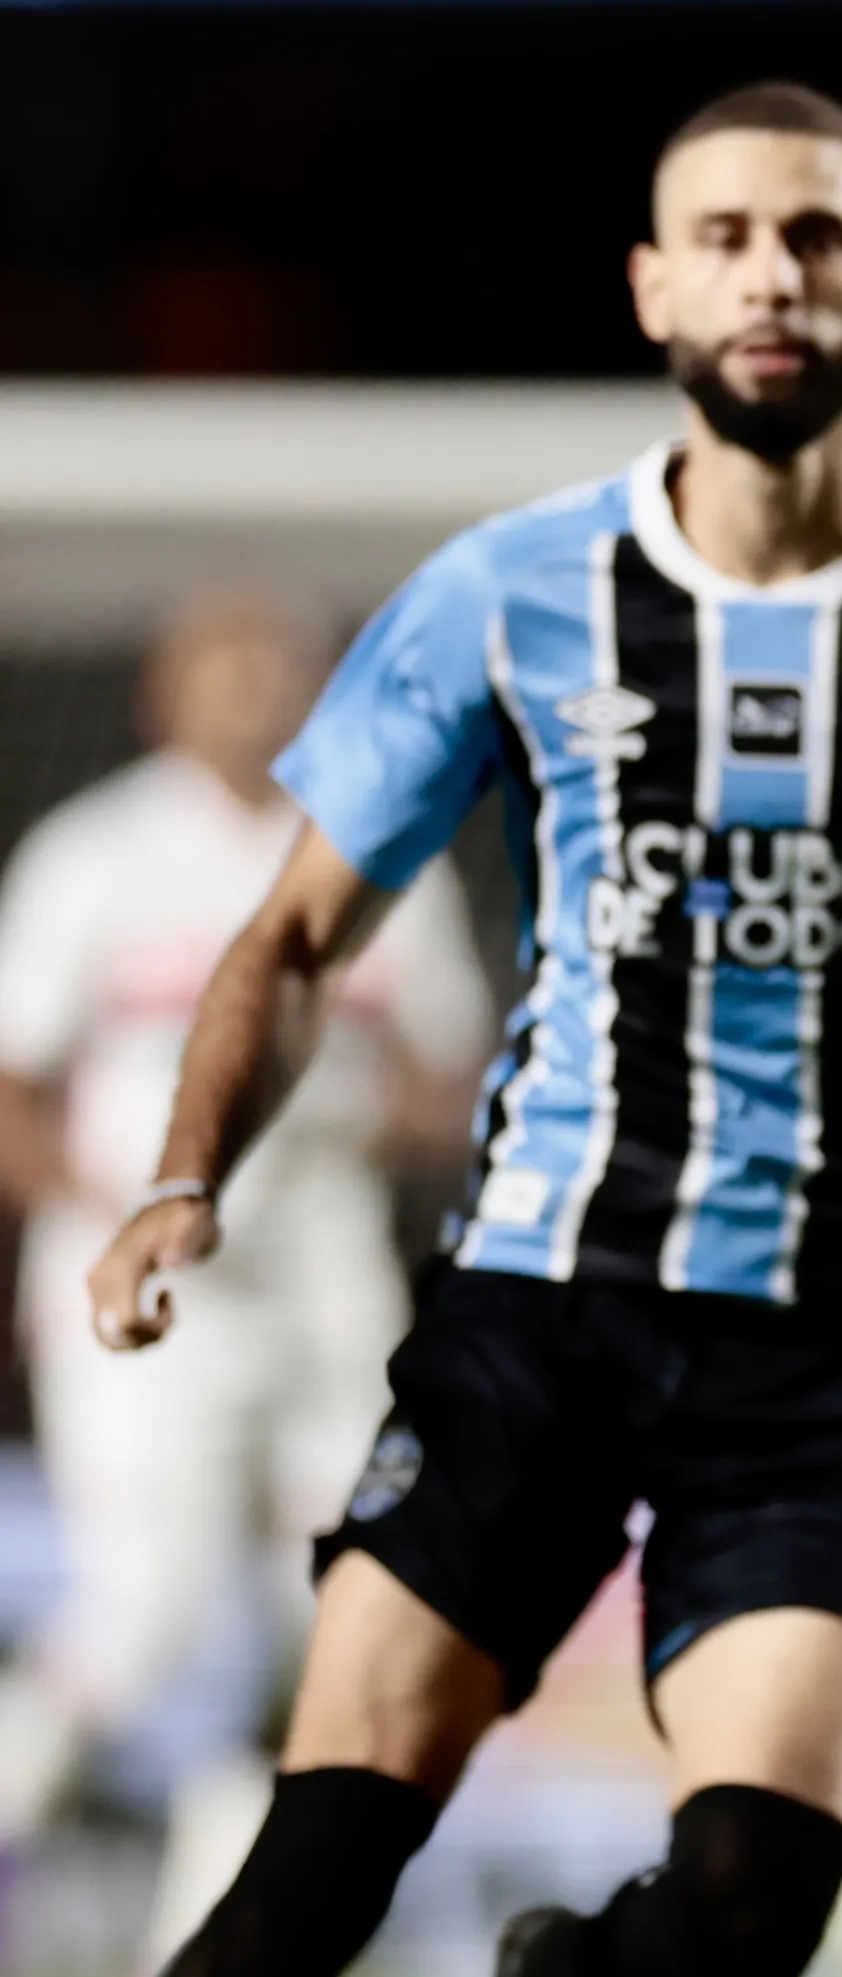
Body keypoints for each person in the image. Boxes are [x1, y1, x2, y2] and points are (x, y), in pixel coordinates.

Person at [76, 78, 842, 1977]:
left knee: (751, 1908)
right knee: (310, 1874)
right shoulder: (514, 591)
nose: (773, 277)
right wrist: (185, 1175)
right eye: (728, 238)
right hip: (542, 1303)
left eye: (817, 239)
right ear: (655, 290)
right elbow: (298, 936)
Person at [0, 596, 489, 1948]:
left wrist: (369, 1112)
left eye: (283, 668)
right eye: (230, 667)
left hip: (324, 1273)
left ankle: (214, 1931)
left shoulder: (383, 848)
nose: (258, 692)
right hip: (156, 1288)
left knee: (332, 1608)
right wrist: (116, 1206)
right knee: (145, 1608)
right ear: (168, 691)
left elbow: (448, 1074)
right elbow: (11, 1090)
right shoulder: (94, 855)